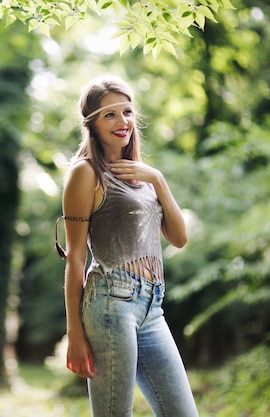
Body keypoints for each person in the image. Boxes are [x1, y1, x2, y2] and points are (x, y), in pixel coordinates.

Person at [55, 75, 199, 417]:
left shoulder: (143, 176)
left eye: (128, 112)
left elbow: (179, 238)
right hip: (110, 303)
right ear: (92, 124)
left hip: (152, 307)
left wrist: (158, 179)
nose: (123, 122)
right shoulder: (86, 173)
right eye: (110, 115)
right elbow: (75, 257)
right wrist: (74, 332)